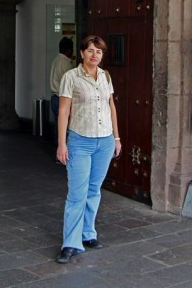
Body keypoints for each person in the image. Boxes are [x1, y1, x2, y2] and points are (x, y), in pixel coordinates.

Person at [55, 35, 121, 264]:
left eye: (99, 51)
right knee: (77, 193)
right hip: (80, 141)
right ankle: (71, 243)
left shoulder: (105, 76)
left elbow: (111, 106)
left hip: (104, 142)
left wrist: (117, 138)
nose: (95, 55)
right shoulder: (70, 77)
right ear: (82, 53)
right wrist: (62, 143)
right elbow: (63, 111)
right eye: (91, 50)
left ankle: (88, 234)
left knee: (94, 190)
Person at [49, 36, 75, 136]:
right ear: (68, 50)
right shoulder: (65, 63)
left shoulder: (56, 60)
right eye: (72, 49)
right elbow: (71, 83)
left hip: (54, 98)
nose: (72, 52)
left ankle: (57, 149)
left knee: (58, 127)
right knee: (65, 129)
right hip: (62, 99)